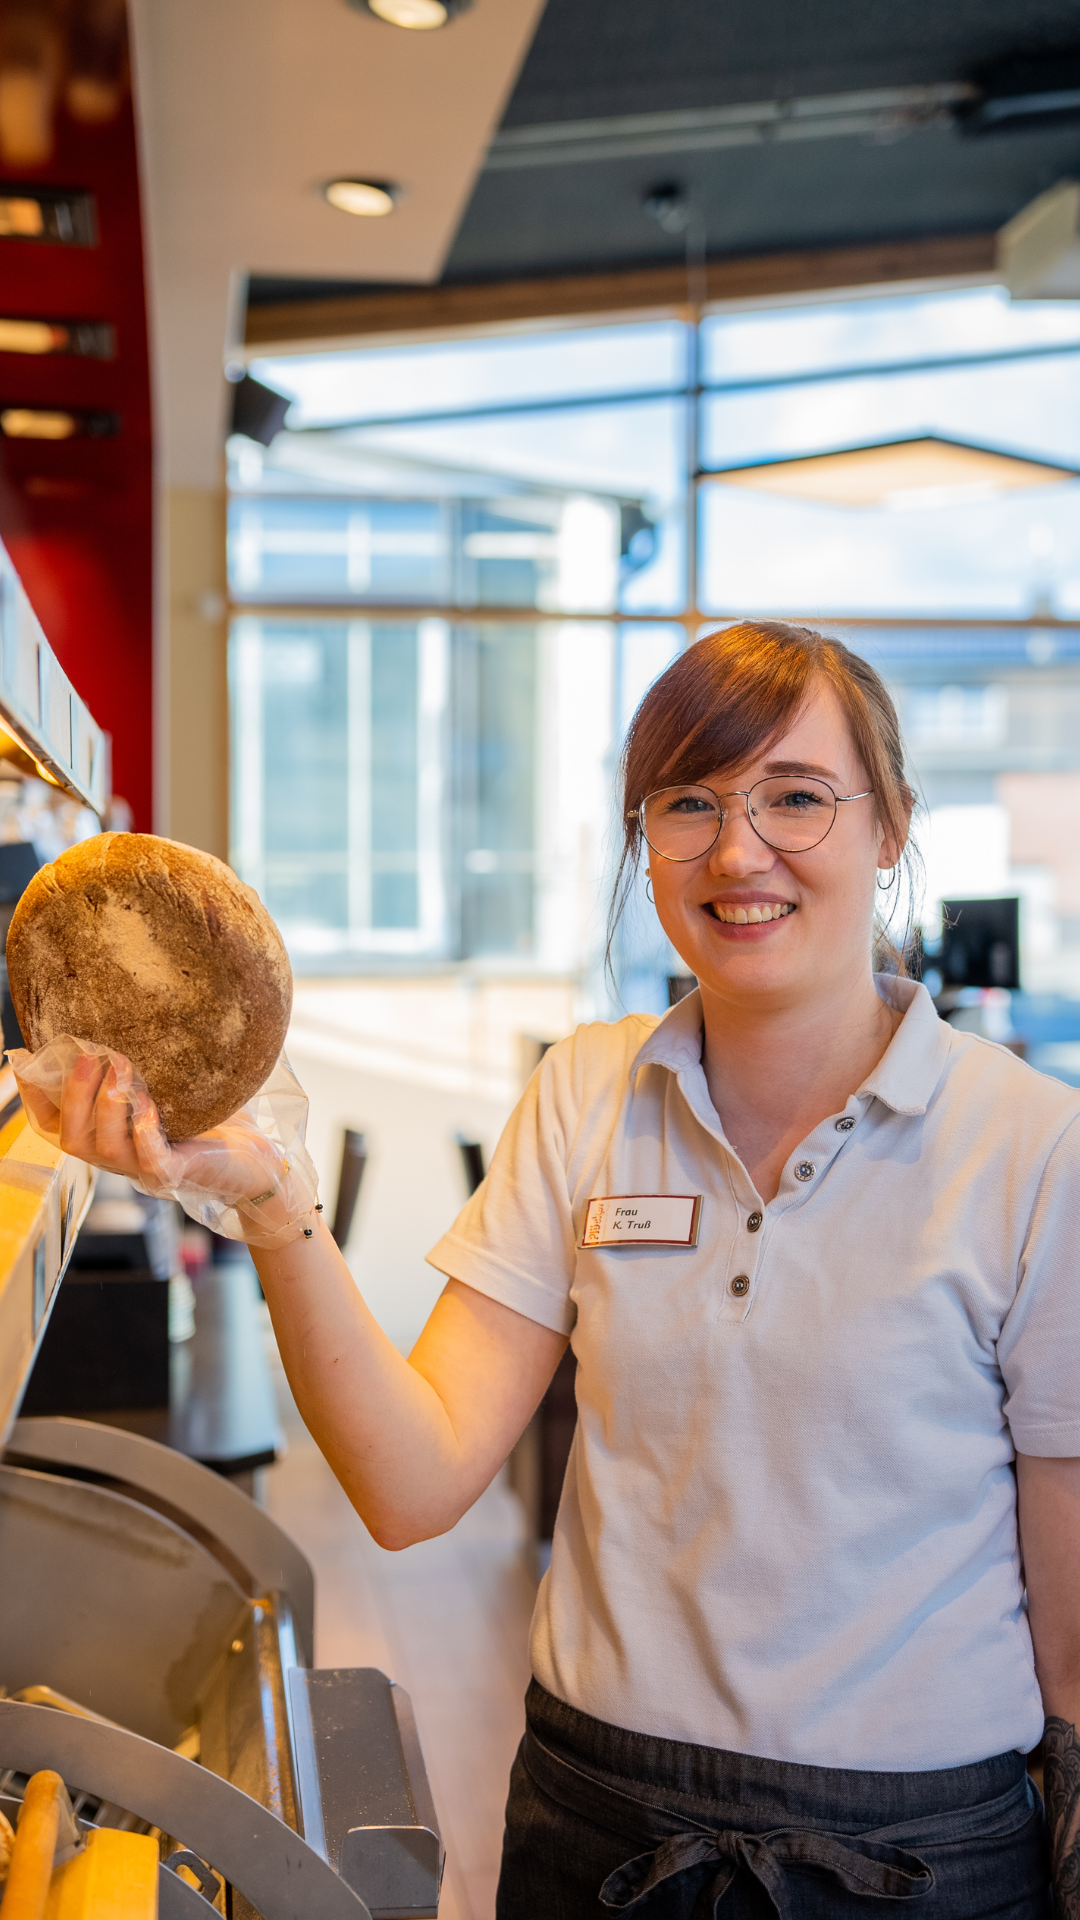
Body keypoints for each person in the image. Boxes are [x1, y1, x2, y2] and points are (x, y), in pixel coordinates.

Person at [23, 620, 1080, 1920]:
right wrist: (272, 1202)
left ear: (891, 825)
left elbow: (1073, 1654)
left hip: (924, 1866)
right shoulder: (590, 1096)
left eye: (796, 797)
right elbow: (414, 1486)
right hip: (599, 1834)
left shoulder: (1034, 1151)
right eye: (689, 803)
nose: (740, 851)